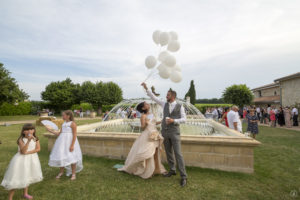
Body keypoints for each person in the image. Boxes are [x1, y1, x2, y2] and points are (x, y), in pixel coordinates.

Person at [142, 82, 188, 187]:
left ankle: (183, 176)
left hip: (175, 132)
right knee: (168, 152)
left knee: (178, 154)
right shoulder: (164, 104)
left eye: (168, 95)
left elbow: (184, 119)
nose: (166, 96)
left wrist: (174, 120)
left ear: (173, 96)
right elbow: (154, 98)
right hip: (165, 132)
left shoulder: (180, 106)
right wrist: (146, 88)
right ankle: (172, 170)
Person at [118, 102, 166, 179]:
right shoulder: (143, 116)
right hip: (147, 135)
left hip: (154, 134)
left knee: (155, 152)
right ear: (143, 108)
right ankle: (146, 171)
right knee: (147, 152)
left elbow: (154, 123)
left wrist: (161, 121)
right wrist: (146, 123)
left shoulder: (152, 114)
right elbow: (142, 127)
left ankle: (154, 170)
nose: (148, 104)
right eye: (146, 104)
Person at [1, 124, 43, 200]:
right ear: (23, 132)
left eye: (31, 129)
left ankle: (25, 193)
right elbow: (23, 151)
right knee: (17, 177)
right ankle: (10, 198)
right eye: (27, 130)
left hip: (32, 159)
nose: (29, 131)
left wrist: (28, 152)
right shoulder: (21, 139)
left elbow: (38, 149)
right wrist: (28, 141)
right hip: (21, 160)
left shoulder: (36, 138)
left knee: (27, 175)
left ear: (34, 130)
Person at [46, 110, 83, 180]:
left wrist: (72, 145)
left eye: (63, 115)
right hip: (62, 143)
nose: (62, 116)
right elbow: (59, 134)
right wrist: (50, 130)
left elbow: (75, 135)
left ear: (68, 116)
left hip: (69, 142)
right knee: (61, 156)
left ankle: (73, 173)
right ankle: (61, 172)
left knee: (72, 157)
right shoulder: (63, 124)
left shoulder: (72, 124)